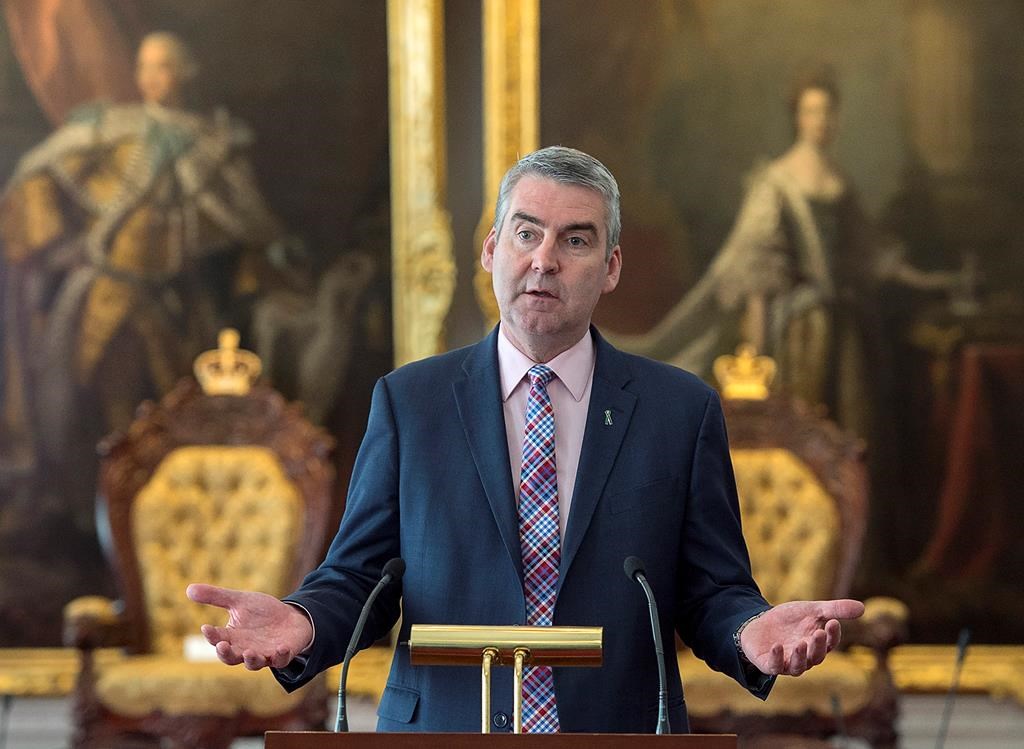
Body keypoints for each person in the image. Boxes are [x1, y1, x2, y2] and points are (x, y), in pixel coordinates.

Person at [188, 146, 863, 734]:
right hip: (444, 734)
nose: (545, 259)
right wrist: (303, 622)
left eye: (575, 240)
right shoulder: (410, 401)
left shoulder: (679, 411)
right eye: (527, 233)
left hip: (616, 735)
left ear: (612, 266)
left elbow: (711, 589)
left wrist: (753, 630)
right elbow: (363, 576)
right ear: (490, 250)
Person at [613, 70, 961, 439]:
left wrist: (928, 280)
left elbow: (869, 253)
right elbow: (759, 272)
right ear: (798, 117)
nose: (821, 121)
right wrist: (758, 349)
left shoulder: (840, 181)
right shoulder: (777, 183)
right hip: (801, 333)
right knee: (805, 432)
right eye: (811, 111)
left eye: (827, 111)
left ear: (837, 117)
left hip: (846, 332)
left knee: (851, 432)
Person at [0, 31, 282, 476]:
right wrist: (57, 243)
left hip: (175, 296)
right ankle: (89, 500)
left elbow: (244, 218)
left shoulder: (210, 141)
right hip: (108, 288)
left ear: (186, 73)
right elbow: (35, 174)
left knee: (177, 403)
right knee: (91, 390)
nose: (151, 77)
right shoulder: (111, 128)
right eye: (144, 66)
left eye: (163, 66)